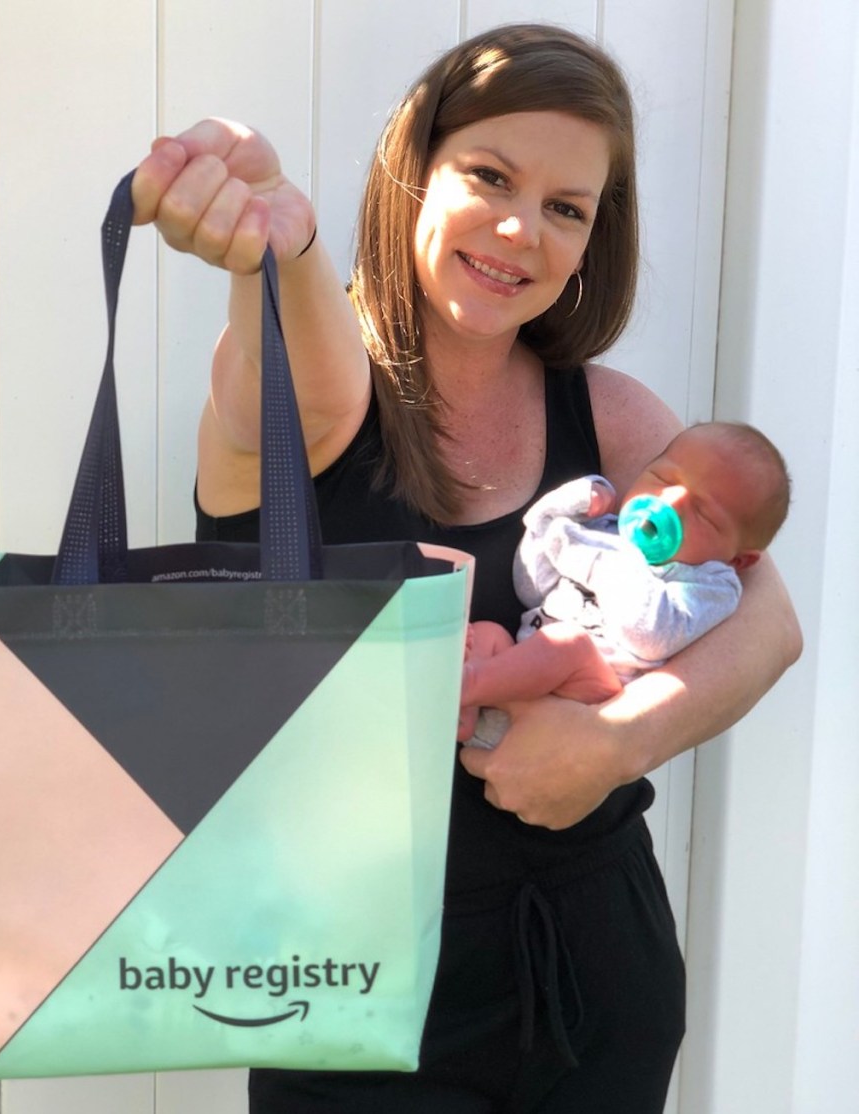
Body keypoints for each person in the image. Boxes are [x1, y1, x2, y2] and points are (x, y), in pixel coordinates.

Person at [132, 23, 801, 1114]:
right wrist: (287, 246)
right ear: (413, 171)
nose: (517, 228)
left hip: (596, 975)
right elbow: (287, 361)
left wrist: (611, 743)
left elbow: (767, 619)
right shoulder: (317, 394)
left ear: (592, 240)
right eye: (489, 175)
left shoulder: (619, 421)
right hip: (351, 1004)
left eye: (565, 207)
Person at [462, 421, 792, 748]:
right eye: (661, 478)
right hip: (519, 677)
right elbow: (531, 585)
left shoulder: (710, 582)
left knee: (568, 644)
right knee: (487, 633)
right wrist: (562, 510)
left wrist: (602, 559)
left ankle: (466, 685)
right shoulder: (605, 531)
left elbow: (650, 635)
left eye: (704, 513)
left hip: (589, 697)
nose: (670, 503)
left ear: (739, 560)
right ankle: (464, 714)